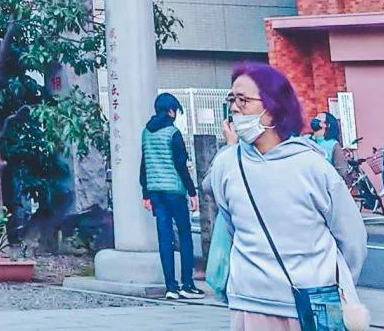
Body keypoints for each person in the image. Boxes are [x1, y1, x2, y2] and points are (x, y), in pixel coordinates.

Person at [205, 63, 368, 331]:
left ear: (272, 109)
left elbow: (352, 238)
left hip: (315, 303)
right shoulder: (226, 165)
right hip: (252, 304)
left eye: (243, 100)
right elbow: (234, 228)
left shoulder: (313, 167)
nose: (234, 108)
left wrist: (335, 285)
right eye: (232, 99)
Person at [143, 91, 206, 299]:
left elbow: (144, 164)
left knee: (165, 238)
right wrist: (192, 191)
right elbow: (180, 165)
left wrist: (145, 193)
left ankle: (171, 287)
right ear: (171, 111)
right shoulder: (173, 133)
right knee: (185, 236)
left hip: (155, 193)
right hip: (174, 192)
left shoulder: (147, 132)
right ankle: (187, 284)